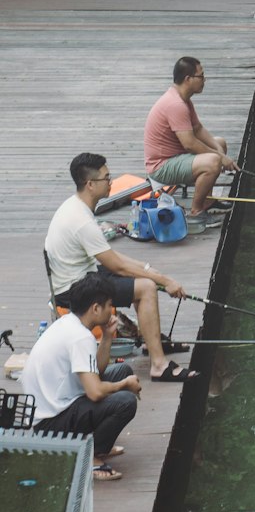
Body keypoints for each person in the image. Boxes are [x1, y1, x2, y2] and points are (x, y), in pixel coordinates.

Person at [44, 154, 191, 381]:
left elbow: (110, 257)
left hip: (81, 275)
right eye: (106, 178)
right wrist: (163, 280)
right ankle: (159, 366)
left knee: (143, 278)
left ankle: (152, 341)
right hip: (72, 290)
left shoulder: (74, 207)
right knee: (146, 288)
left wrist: (146, 267)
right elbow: (118, 266)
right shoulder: (82, 221)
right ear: (90, 184)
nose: (111, 181)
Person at [24, 270, 142, 481]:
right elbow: (95, 392)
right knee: (126, 401)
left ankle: (99, 445)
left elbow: (96, 369)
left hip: (58, 406)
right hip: (50, 424)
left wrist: (107, 337)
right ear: (96, 308)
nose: (112, 310)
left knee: (123, 370)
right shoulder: (80, 337)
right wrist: (124, 385)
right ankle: (90, 458)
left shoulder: (70, 322)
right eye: (109, 305)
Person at [144, 56, 238, 228]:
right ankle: (196, 213)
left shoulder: (184, 100)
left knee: (220, 143)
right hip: (161, 166)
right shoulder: (175, 104)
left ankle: (208, 202)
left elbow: (198, 129)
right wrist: (220, 157)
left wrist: (218, 149)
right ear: (188, 79)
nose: (204, 80)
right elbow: (189, 143)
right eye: (201, 76)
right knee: (213, 161)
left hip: (177, 156)